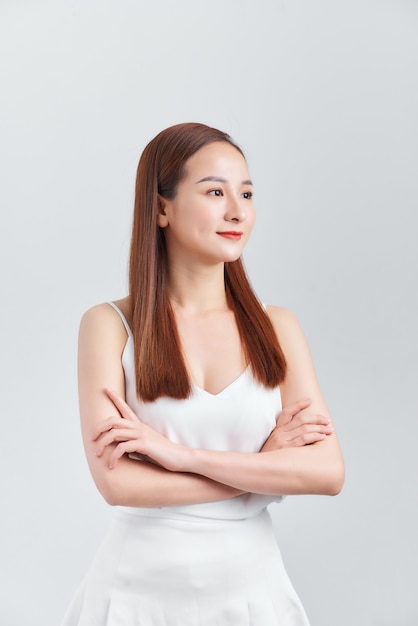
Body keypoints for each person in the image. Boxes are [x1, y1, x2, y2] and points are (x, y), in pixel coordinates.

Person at [62, 122, 344, 625]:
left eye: (247, 193)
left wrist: (179, 457)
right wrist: (260, 471)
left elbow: (325, 472)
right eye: (215, 191)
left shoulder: (278, 327)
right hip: (134, 596)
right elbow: (119, 485)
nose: (238, 211)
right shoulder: (109, 326)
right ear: (160, 208)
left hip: (253, 594)